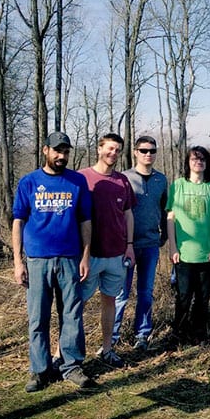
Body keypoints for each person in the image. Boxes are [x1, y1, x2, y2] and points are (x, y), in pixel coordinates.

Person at [12, 132, 94, 390]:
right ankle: (39, 369)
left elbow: (85, 221)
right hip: (37, 260)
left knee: (71, 314)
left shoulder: (77, 182)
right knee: (38, 317)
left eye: (66, 151)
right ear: (45, 150)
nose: (62, 156)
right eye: (57, 151)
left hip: (70, 258)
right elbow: (18, 221)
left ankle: (71, 366)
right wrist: (18, 261)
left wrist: (85, 255)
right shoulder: (29, 182)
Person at [79, 133, 137, 368]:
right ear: (99, 149)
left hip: (116, 255)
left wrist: (129, 246)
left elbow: (128, 213)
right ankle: (66, 352)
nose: (113, 154)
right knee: (76, 304)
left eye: (118, 150)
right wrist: (81, 253)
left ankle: (107, 349)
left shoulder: (122, 181)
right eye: (110, 149)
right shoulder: (82, 178)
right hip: (89, 256)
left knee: (110, 301)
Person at [112, 136, 168, 352]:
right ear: (135, 152)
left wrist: (163, 234)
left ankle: (142, 334)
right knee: (121, 293)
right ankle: (113, 336)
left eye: (152, 150)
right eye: (143, 150)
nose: (148, 154)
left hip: (151, 243)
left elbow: (164, 209)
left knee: (146, 291)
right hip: (126, 246)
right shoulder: (124, 178)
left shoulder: (161, 180)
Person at [166, 146, 210, 345]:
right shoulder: (178, 186)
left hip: (207, 253)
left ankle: (199, 334)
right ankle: (179, 334)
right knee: (183, 297)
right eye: (194, 159)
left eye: (202, 160)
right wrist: (173, 247)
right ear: (187, 163)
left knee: (202, 297)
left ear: (207, 164)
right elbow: (170, 218)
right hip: (183, 253)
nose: (198, 162)